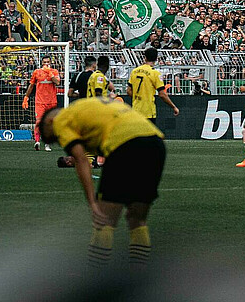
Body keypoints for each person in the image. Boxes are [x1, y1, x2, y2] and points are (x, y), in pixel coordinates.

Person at [38, 97, 166, 268]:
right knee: (137, 219)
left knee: (104, 220)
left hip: (124, 144)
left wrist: (92, 202)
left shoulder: (60, 119)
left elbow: (81, 160)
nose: (60, 141)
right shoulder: (88, 105)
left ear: (50, 121)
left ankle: (95, 273)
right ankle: (138, 273)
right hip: (155, 143)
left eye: (55, 138)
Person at [127, 47, 178, 123]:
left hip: (136, 110)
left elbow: (128, 91)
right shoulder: (155, 73)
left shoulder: (134, 71)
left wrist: (139, 97)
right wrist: (173, 107)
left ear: (145, 58)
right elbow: (162, 94)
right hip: (148, 112)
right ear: (156, 59)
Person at [23, 56, 60, 151]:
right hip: (40, 101)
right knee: (39, 122)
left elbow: (57, 83)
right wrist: (26, 97)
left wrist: (50, 74)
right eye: (44, 62)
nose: (46, 64)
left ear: (50, 63)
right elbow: (31, 85)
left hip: (51, 101)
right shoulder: (37, 72)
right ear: (41, 63)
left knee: (49, 123)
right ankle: (37, 141)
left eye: (48, 62)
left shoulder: (54, 72)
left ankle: (47, 144)